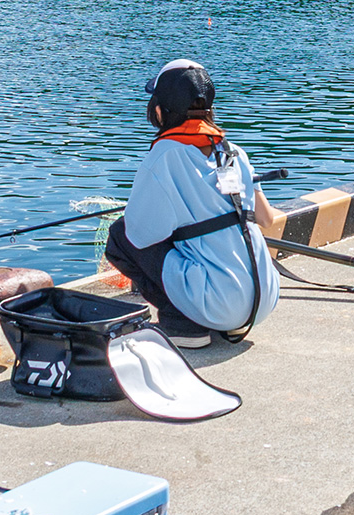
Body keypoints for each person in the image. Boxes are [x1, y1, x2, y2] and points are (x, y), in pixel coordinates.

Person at [105, 60, 282, 348]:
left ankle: (184, 324)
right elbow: (266, 219)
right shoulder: (233, 151)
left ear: (160, 112)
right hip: (264, 299)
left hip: (221, 302)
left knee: (119, 236)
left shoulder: (164, 155)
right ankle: (228, 321)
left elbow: (138, 233)